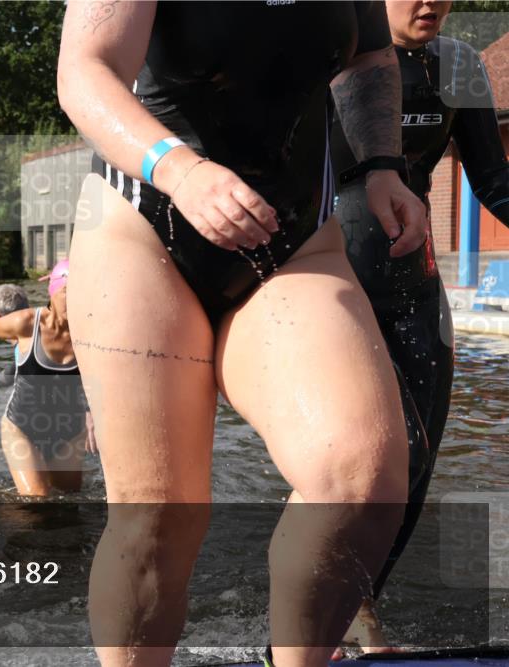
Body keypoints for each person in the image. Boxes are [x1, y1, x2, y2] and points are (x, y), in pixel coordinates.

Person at [57, 2, 429, 664]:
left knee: (363, 476)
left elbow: (371, 54)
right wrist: (179, 169)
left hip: (294, 241)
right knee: (159, 519)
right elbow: (86, 69)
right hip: (145, 226)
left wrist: (379, 163)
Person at [330, 0, 509, 653]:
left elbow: (494, 179)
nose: (431, 1)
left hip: (416, 285)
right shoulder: (332, 47)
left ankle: (358, 604)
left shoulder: (457, 64)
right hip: (331, 283)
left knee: (420, 455)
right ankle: (325, 601)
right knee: (370, 451)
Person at [0, 261, 96, 496]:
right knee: (37, 502)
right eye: (68, 292)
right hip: (23, 427)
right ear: (53, 291)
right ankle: (7, 525)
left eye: (83, 292)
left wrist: (92, 414)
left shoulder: (93, 332)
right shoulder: (27, 323)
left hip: (69, 431)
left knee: (69, 505)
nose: (76, 299)